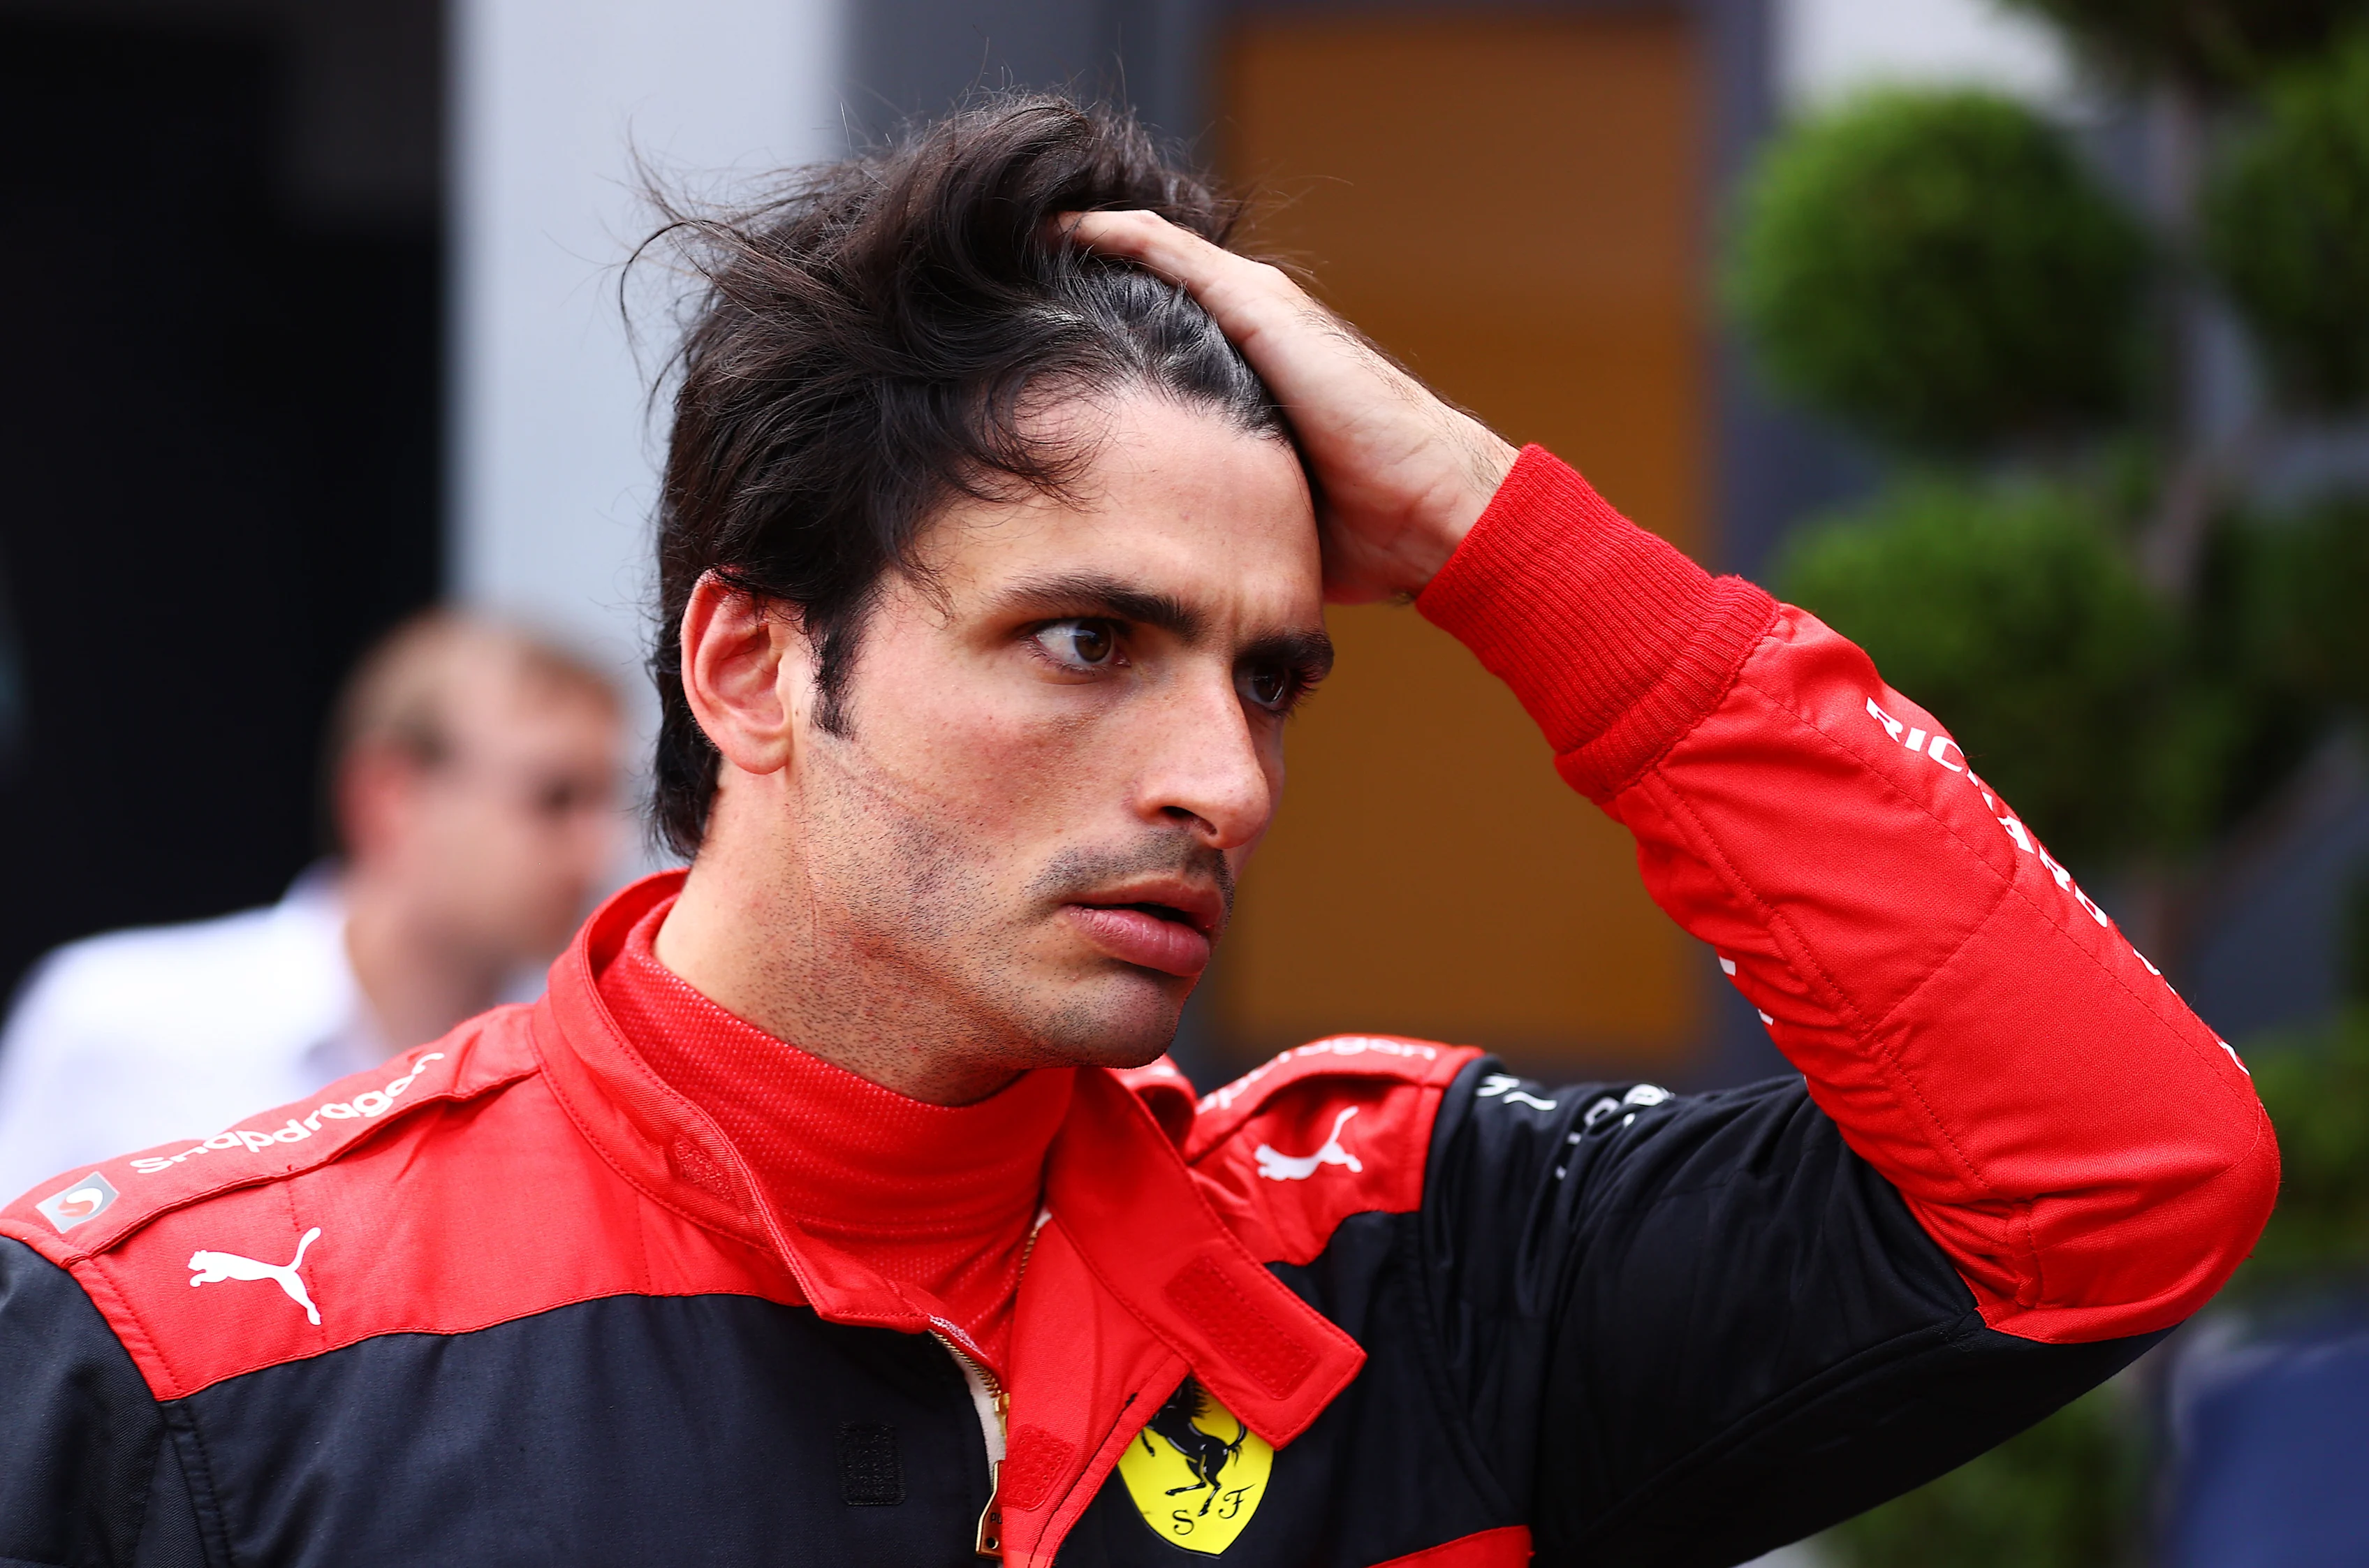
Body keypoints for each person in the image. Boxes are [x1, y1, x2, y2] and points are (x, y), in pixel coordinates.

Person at [0, 99, 2275, 1568]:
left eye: (1268, 672)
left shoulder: (1410, 1261)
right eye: (1089, 639)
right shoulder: (178, 1351)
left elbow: (2123, 1179)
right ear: (749, 664)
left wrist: (1502, 538)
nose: (1228, 779)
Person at [0, 610, 624, 1201]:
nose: (600, 850)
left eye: (608, 801)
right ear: (392, 798)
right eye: (555, 799)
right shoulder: (117, 1019)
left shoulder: (589, 1070)